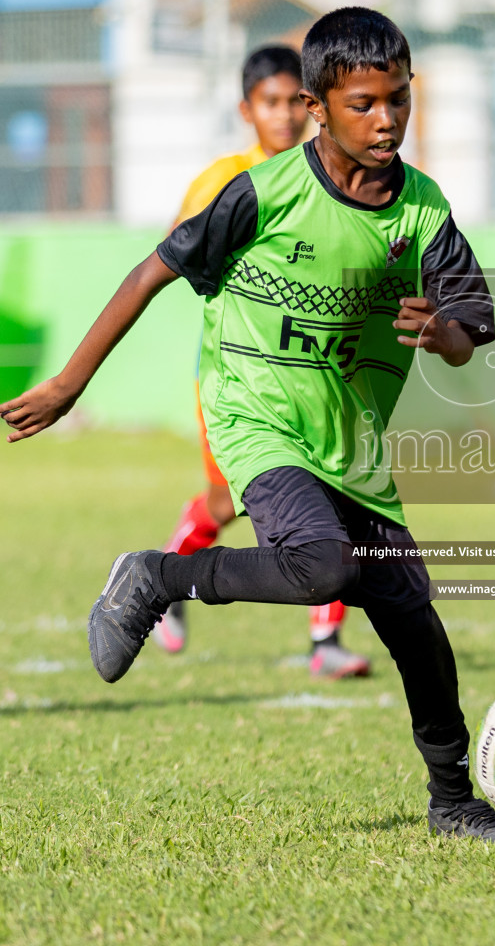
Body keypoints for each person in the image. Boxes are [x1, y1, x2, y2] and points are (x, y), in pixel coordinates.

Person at [0, 7, 495, 843]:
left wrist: (442, 333)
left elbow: (468, 334)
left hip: (351, 440)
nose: (385, 119)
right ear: (318, 106)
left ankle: (454, 803)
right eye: (363, 103)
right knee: (320, 566)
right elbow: (153, 271)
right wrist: (68, 383)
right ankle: (156, 579)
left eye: (398, 99)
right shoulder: (264, 193)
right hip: (257, 415)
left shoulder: (423, 212)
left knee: (416, 626)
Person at [152, 45, 371, 680]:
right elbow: (179, 253)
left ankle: (326, 642)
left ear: (311, 106)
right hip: (238, 378)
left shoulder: (331, 175)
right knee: (225, 504)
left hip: (318, 374)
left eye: (290, 103)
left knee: (339, 500)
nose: (282, 117)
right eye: (268, 103)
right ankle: (167, 584)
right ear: (247, 109)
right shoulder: (226, 180)